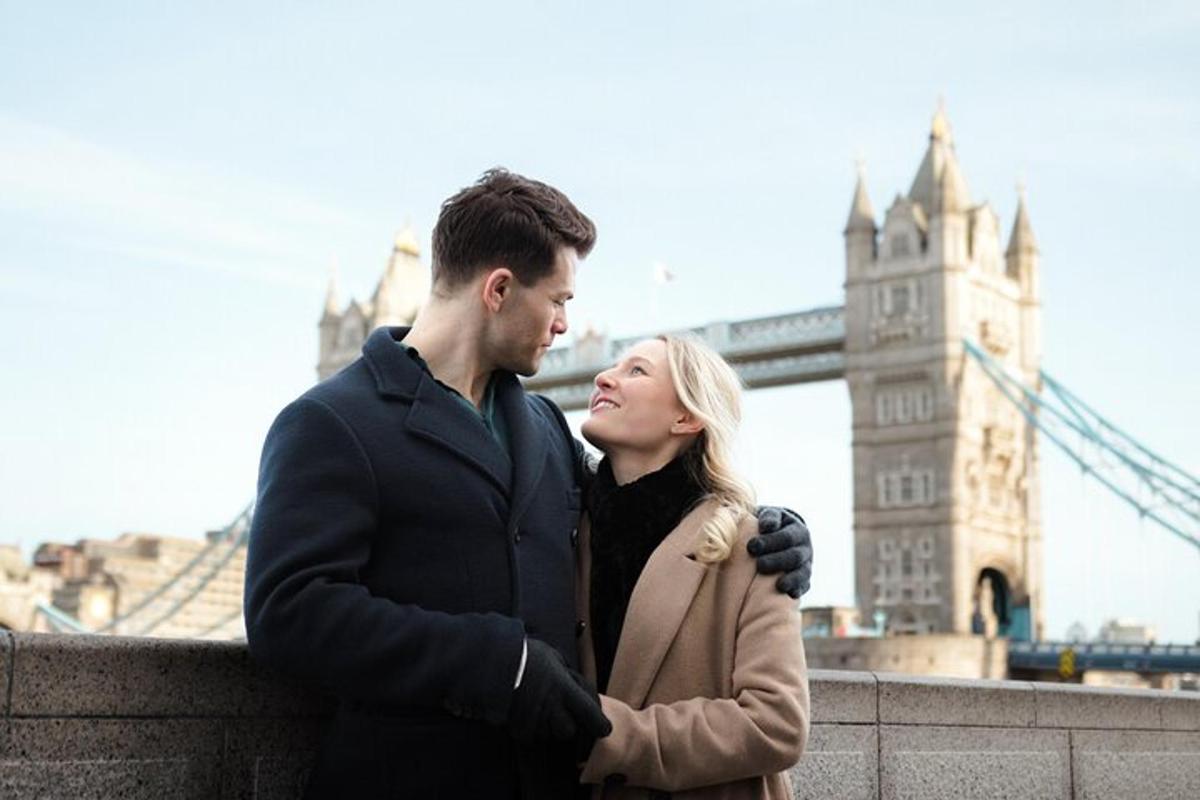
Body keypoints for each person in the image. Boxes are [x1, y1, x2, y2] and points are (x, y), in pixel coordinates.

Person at [243, 169, 813, 799]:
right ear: (500, 289)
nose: (567, 324)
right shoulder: (332, 421)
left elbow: (640, 498)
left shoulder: (542, 425)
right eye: (560, 300)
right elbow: (288, 613)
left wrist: (768, 526)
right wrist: (495, 662)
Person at [575, 335, 809, 799]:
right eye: (613, 367)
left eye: (636, 371)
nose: (604, 377)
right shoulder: (563, 530)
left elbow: (778, 723)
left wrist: (611, 737)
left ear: (686, 417)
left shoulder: (748, 545)